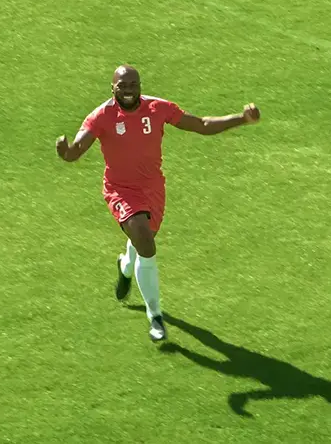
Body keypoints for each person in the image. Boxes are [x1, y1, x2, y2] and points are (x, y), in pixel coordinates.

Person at [55, 65, 260, 342]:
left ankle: (126, 266)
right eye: (122, 86)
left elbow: (201, 125)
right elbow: (78, 149)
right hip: (121, 190)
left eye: (133, 85)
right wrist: (67, 153)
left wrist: (242, 119)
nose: (128, 90)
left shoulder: (157, 108)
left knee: (142, 242)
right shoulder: (101, 116)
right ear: (112, 88)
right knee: (146, 244)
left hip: (153, 189)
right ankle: (155, 316)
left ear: (139, 85)